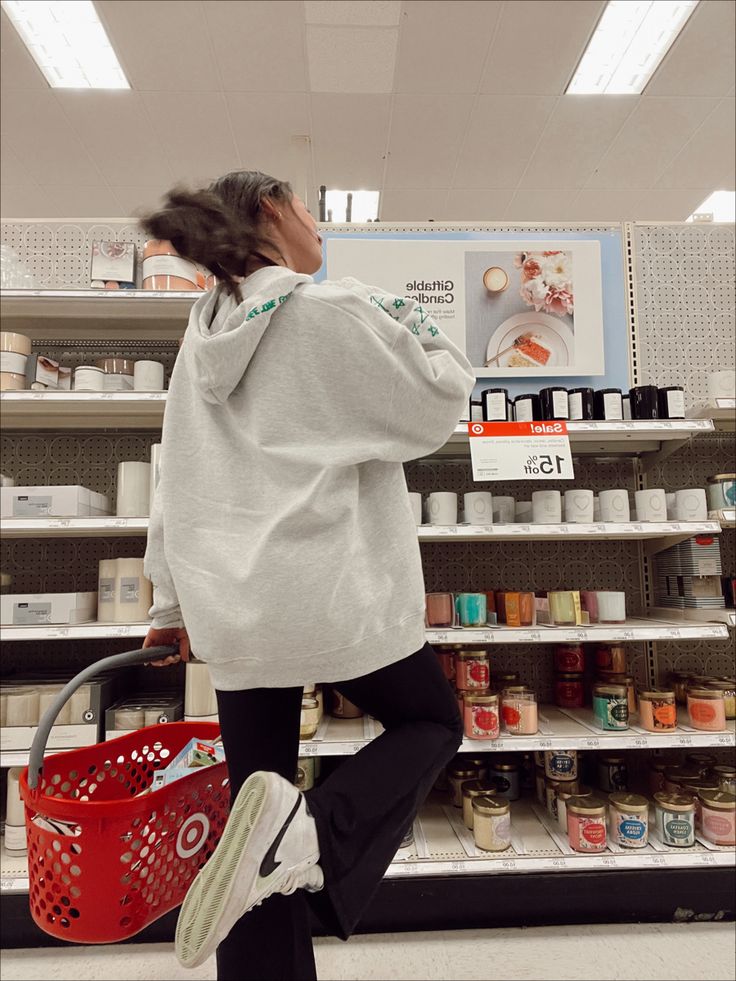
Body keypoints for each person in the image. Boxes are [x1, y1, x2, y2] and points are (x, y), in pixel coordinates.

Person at [140, 170, 475, 980]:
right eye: (310, 208)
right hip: (329, 593)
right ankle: (314, 830)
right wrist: (402, 313)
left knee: (253, 822)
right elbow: (440, 398)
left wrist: (168, 599)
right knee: (431, 722)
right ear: (271, 211)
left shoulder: (202, 331)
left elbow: (174, 472)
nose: (321, 227)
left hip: (237, 606)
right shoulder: (326, 310)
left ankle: (286, 847)